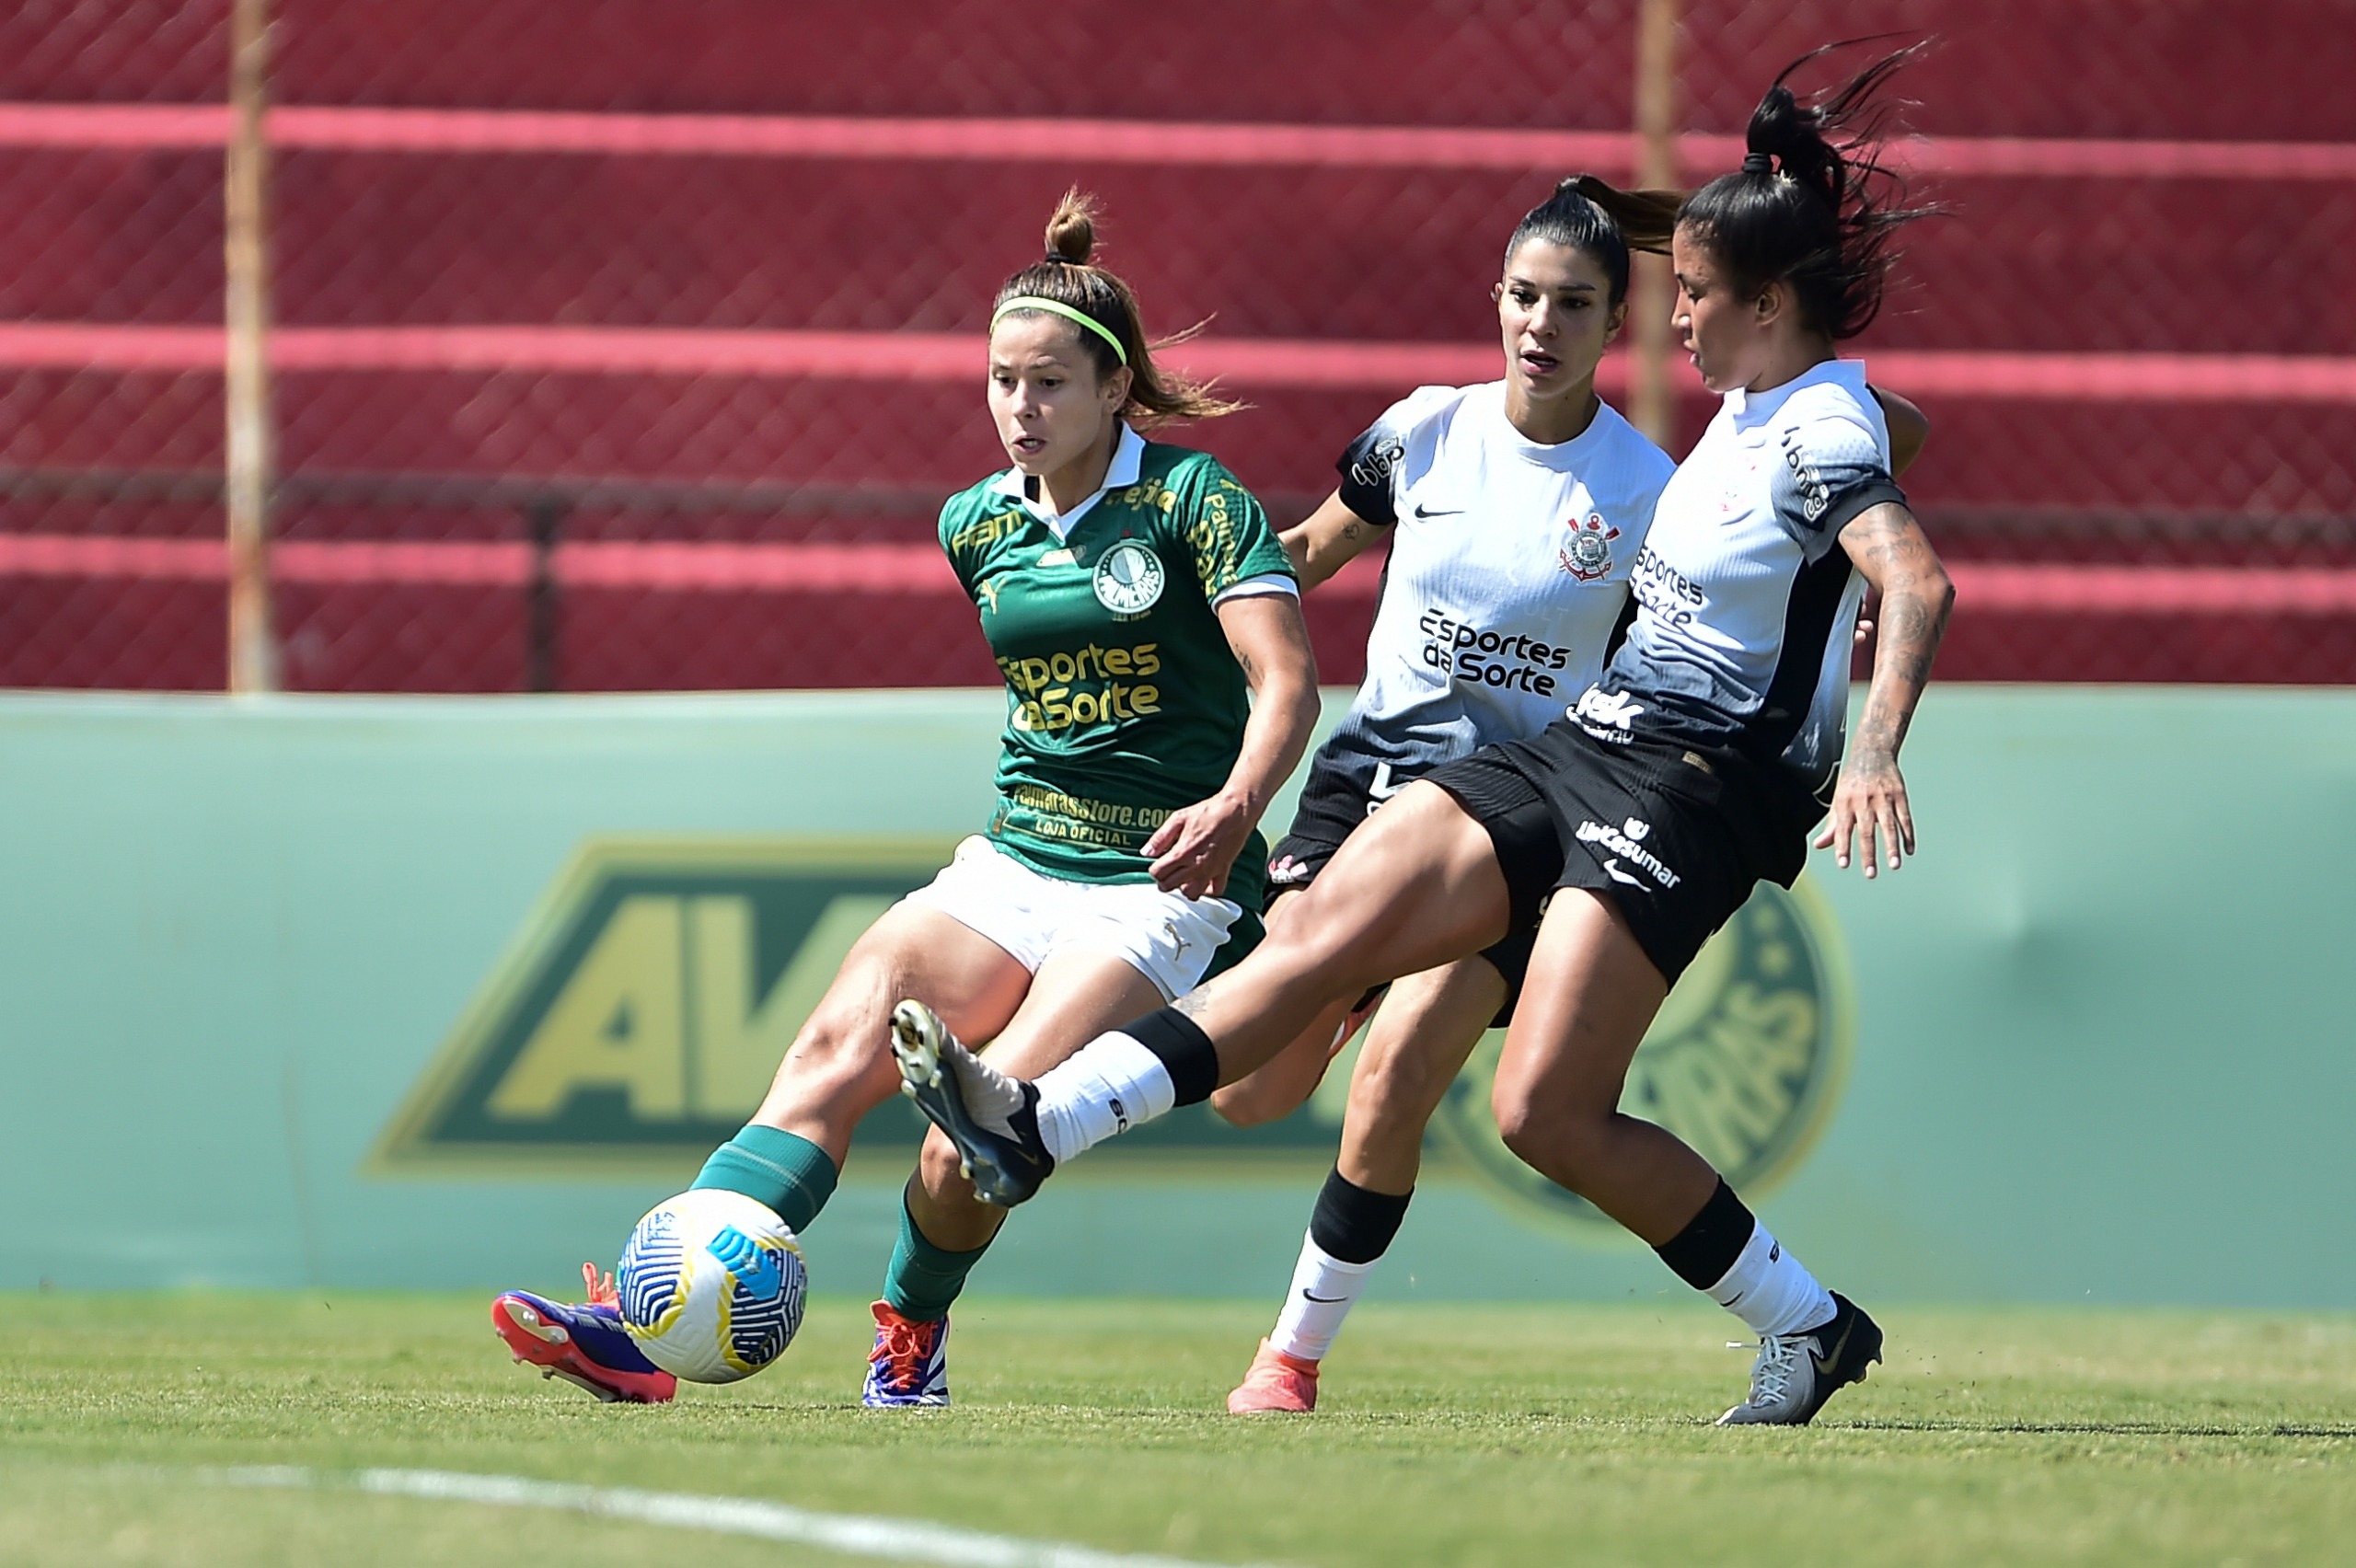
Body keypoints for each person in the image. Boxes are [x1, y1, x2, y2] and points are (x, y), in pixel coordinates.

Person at [890, 46, 1955, 1429]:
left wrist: (1870, 749)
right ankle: (1038, 1125)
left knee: (1541, 1116)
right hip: (1580, 745)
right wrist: (1706, 251)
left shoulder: (1808, 426)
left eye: (1684, 294)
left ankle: (1806, 1324)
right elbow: (1884, 417)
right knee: (1323, 936)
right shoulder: (1766, 402)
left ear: (1767, 302)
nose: (1667, 319)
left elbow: (1915, 576)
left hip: (1700, 786)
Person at [490, 190, 1321, 1407]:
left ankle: (911, 1339)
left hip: (1158, 888)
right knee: (830, 1054)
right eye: (1001, 382)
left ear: (1111, 390)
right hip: (1015, 864)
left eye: (1048, 384)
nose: (1020, 409)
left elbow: (1286, 682)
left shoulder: (1197, 502)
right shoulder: (974, 523)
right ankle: (647, 1326)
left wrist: (1243, 801)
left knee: (973, 1143)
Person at [1211, 178, 1928, 1413]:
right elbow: (1310, 553)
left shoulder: (1662, 480)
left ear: (1618, 326)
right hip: (1378, 791)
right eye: (1525, 297)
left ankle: (1286, 1360)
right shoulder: (1425, 432)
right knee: (1251, 1093)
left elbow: (1861, 471)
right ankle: (1805, 1322)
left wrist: (1860, 745)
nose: (1543, 324)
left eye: (1579, 304)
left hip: (1540, 816)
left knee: (1411, 1087)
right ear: (1494, 302)